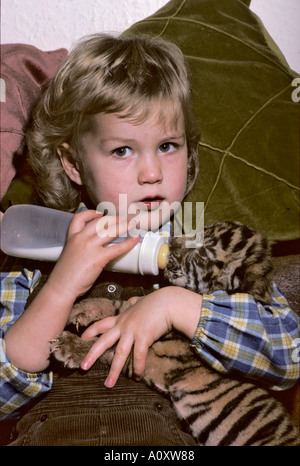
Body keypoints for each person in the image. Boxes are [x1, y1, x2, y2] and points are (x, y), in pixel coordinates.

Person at [0, 34, 299, 442]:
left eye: (168, 146)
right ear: (72, 163)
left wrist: (176, 305)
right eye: (123, 150)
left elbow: (286, 354)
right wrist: (61, 287)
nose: (152, 173)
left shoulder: (204, 247)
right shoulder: (35, 256)